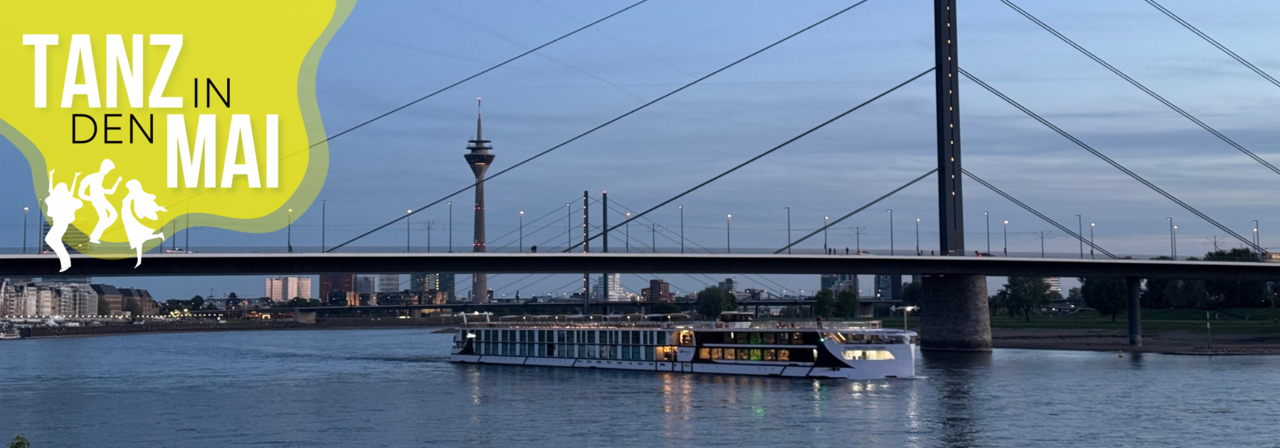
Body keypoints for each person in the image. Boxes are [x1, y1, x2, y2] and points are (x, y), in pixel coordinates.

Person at [121, 180, 167, 267]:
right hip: (126, 217)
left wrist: (158, 208)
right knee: (137, 238)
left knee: (137, 238)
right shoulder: (131, 194)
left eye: (129, 187)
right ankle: (139, 260)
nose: (128, 188)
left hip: (130, 217)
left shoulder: (136, 195)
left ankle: (139, 260)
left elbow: (146, 202)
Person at [44, 169, 83, 272]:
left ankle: (65, 262)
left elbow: (72, 189)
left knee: (50, 239)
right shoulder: (56, 197)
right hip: (57, 222)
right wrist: (51, 175)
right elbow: (50, 189)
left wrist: (76, 177)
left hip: (61, 223)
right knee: (52, 240)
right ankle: (65, 262)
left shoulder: (66, 197)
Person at [78, 159, 122, 244]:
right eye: (107, 169)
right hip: (98, 202)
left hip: (103, 199)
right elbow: (80, 194)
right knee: (104, 218)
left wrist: (118, 181)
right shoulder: (91, 177)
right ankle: (95, 236)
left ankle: (98, 231)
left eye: (109, 170)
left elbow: (110, 192)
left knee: (114, 214)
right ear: (101, 167)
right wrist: (92, 198)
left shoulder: (101, 178)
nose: (107, 172)